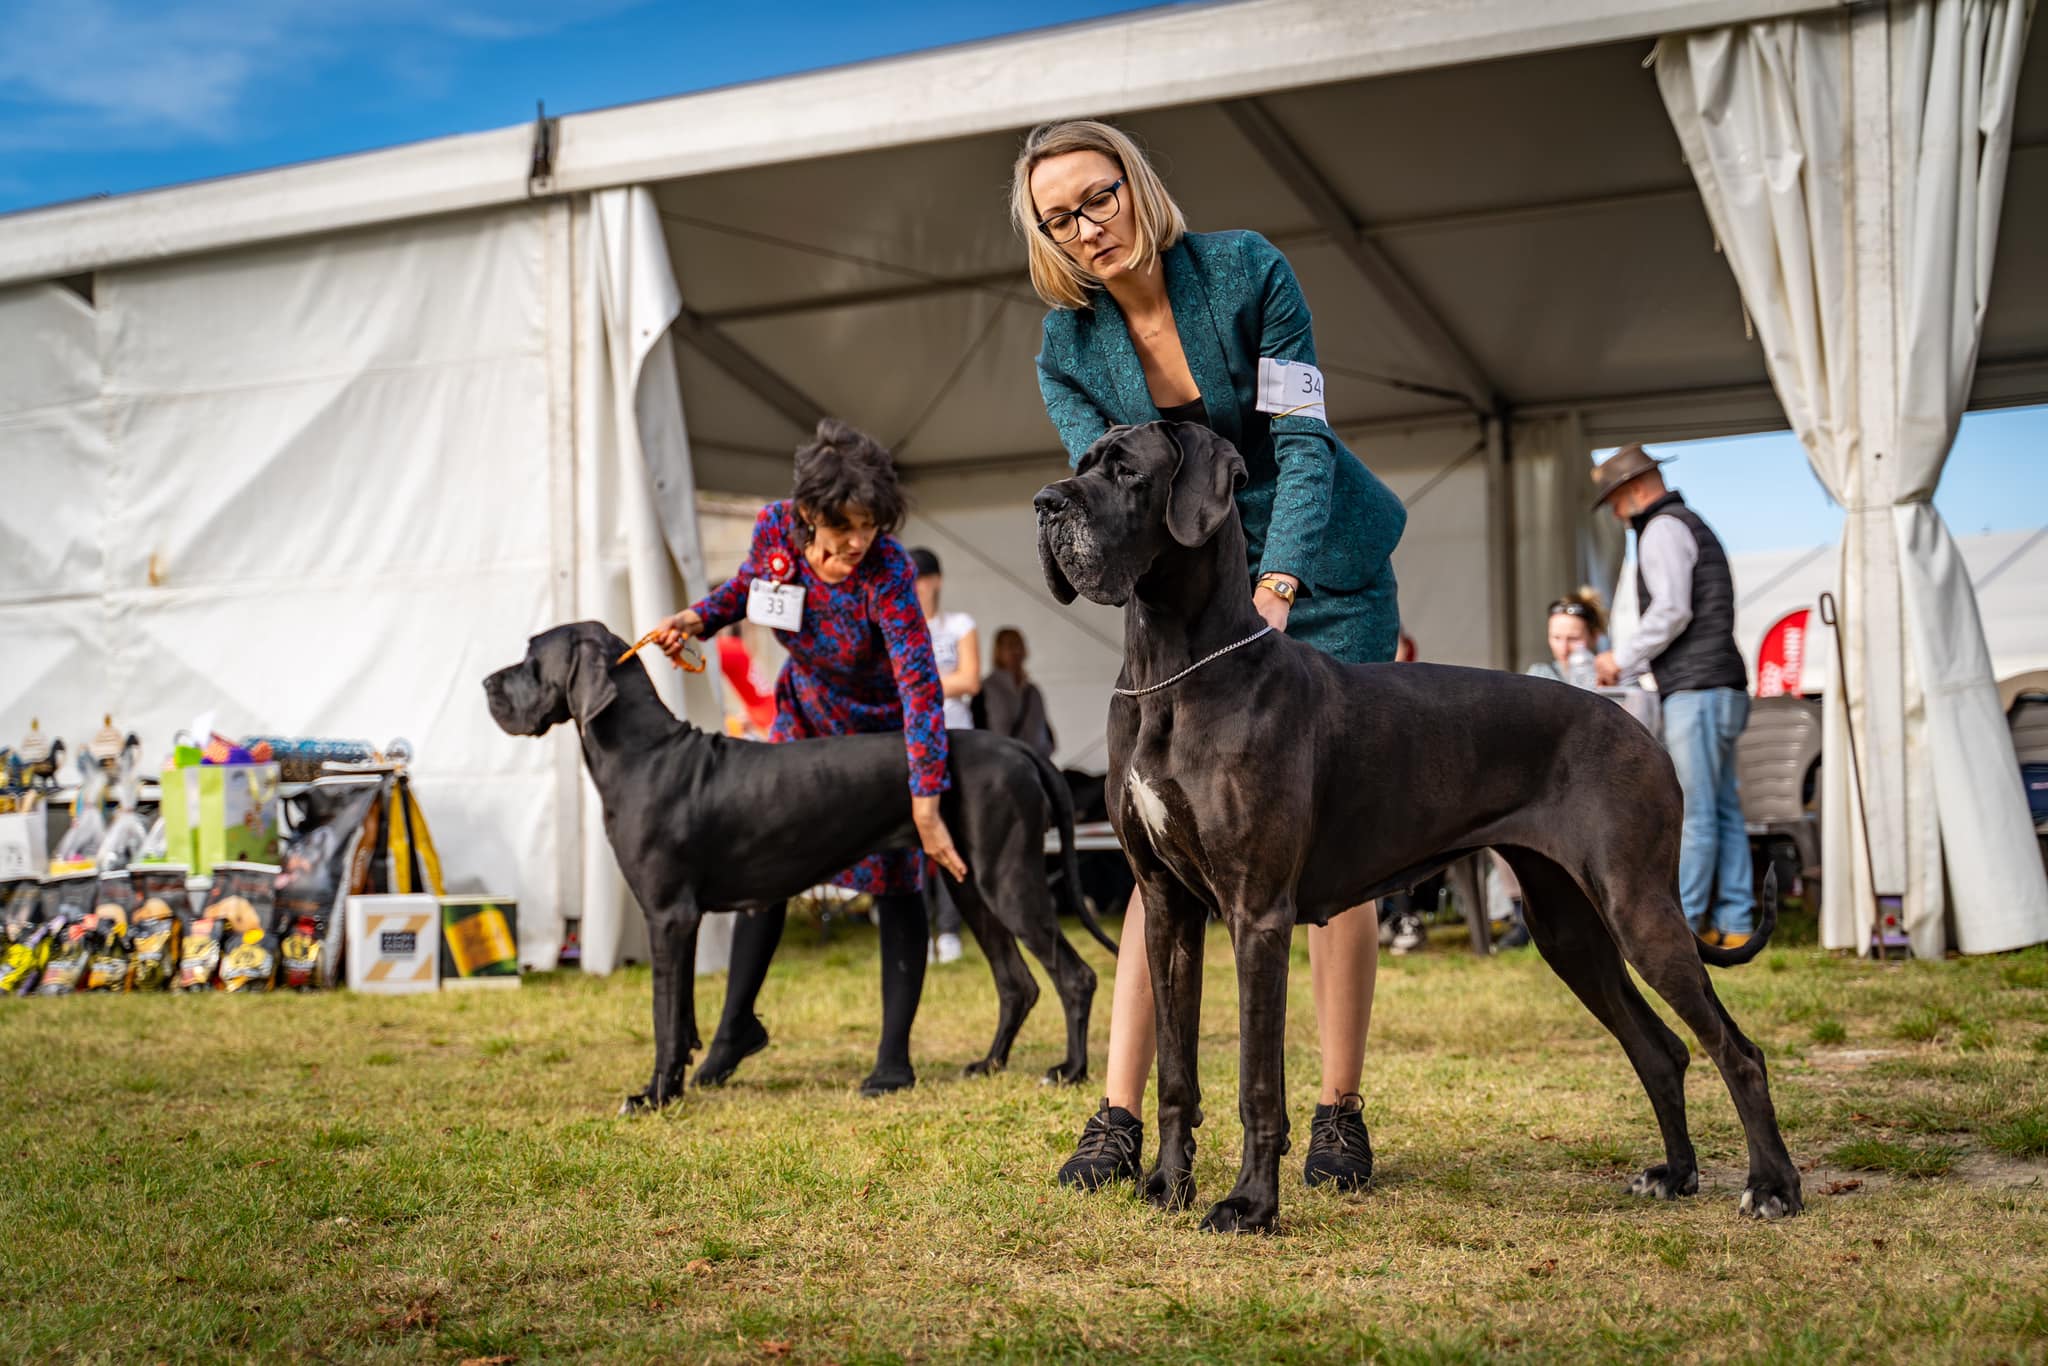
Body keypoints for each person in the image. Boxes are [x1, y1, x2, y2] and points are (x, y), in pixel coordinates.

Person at [1016, 119, 1407, 1192]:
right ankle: (1117, 1113)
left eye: (1097, 197)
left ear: (1135, 184)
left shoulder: (1243, 268)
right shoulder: (1068, 346)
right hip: (1192, 605)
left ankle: (1336, 1110)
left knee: (1334, 843)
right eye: (1059, 218)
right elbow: (1113, 496)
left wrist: (1277, 588)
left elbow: (1300, 439)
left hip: (1319, 573)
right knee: (1163, 842)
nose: (1086, 227)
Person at [651, 419, 965, 1096]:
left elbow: (919, 682)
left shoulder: (889, 569)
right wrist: (696, 620)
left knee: (896, 876)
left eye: (872, 525)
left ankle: (893, 1057)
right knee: (764, 865)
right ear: (808, 516)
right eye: (846, 526)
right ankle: (736, 1028)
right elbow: (743, 593)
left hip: (878, 737)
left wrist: (925, 792)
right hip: (803, 720)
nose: (860, 542)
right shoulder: (772, 532)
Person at [1590, 442, 1755, 949]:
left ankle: (1682, 927)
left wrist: (1620, 658)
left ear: (1636, 490)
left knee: (1697, 811)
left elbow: (1670, 611)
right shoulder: (1690, 522)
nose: (1617, 515)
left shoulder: (1661, 529)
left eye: (1616, 502)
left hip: (1697, 689)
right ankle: (1736, 919)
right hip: (1722, 683)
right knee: (1724, 807)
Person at [909, 547, 979, 965]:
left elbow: (970, 678)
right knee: (916, 838)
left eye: (919, 579)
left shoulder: (958, 625)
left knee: (951, 835)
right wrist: (940, 683)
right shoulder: (899, 628)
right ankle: (920, 929)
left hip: (956, 739)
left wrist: (918, 687)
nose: (914, 589)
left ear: (935, 580)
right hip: (914, 743)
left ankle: (951, 929)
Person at [978, 628, 1056, 761]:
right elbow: (978, 729)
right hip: (1003, 764)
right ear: (999, 651)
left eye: (1019, 645)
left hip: (1036, 763)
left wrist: (1045, 749)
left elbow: (1044, 728)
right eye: (1010, 646)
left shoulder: (1032, 691)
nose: (1016, 651)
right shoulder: (985, 689)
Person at [1525, 587, 1609, 686]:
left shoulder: (1608, 677)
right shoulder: (1538, 675)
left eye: (1573, 639)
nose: (1563, 649)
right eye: (1556, 637)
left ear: (1594, 637)